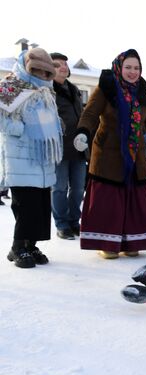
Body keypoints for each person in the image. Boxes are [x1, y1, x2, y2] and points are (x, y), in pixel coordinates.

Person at [77, 49, 146, 259]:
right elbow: (90, 113)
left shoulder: (144, 91)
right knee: (109, 202)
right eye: (128, 67)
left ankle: (131, 241)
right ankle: (106, 243)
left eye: (136, 68)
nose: (132, 72)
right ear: (119, 67)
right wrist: (82, 132)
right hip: (109, 155)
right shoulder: (106, 87)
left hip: (136, 157)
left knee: (134, 201)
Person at [0, 48, 64, 268]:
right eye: (37, 71)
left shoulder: (47, 92)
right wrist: (19, 128)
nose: (42, 77)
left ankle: (31, 245)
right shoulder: (12, 86)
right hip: (20, 158)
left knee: (40, 206)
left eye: (47, 73)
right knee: (25, 205)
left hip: (42, 160)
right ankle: (18, 247)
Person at [49, 52, 86, 241]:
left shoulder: (74, 89)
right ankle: (62, 224)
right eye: (57, 65)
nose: (62, 67)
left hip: (79, 147)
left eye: (64, 64)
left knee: (79, 188)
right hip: (59, 147)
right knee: (59, 187)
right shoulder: (48, 90)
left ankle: (74, 221)